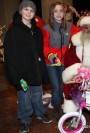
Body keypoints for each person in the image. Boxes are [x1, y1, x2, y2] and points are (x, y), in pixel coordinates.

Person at [3, 0, 52, 133]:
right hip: (22, 73)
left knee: (37, 94)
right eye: (26, 9)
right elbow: (10, 57)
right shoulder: (12, 33)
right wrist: (16, 76)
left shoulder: (37, 31)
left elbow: (40, 52)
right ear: (20, 11)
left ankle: (41, 113)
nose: (29, 12)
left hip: (35, 71)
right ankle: (24, 120)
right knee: (24, 98)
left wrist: (42, 70)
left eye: (32, 10)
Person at [42, 1, 80, 121]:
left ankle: (66, 106)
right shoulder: (46, 28)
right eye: (55, 11)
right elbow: (44, 46)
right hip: (51, 63)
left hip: (65, 62)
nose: (58, 14)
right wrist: (51, 56)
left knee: (64, 86)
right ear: (52, 13)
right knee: (56, 87)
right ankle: (57, 109)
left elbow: (80, 36)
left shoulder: (69, 26)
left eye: (61, 11)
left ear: (64, 13)